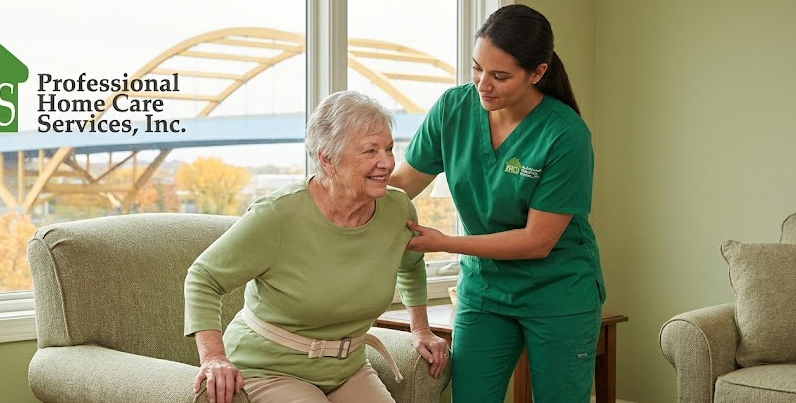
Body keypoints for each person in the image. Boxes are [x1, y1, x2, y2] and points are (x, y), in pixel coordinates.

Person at [389, 4, 604, 403]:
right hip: (485, 291)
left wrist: (442, 243)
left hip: (558, 292)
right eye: (477, 68)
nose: (483, 84)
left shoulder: (565, 135)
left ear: (537, 72)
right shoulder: (454, 109)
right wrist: (344, 183)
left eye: (499, 76)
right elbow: (402, 185)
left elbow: (536, 241)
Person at [184, 90, 449, 403]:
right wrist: (214, 357)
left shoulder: (398, 209)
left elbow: (411, 263)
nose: (387, 162)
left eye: (389, 148)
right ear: (327, 158)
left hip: (346, 368)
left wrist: (420, 329)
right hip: (268, 368)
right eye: (370, 151)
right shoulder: (277, 214)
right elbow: (203, 278)